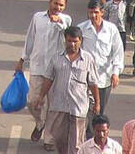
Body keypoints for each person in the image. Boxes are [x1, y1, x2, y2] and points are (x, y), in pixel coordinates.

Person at [32, 26, 100, 154]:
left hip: (78, 108)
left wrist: (97, 103)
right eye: (69, 41)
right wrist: (41, 97)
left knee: (76, 144)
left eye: (75, 41)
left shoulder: (88, 59)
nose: (72, 44)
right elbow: (49, 79)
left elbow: (93, 83)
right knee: (59, 140)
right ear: (65, 40)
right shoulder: (56, 58)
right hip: (59, 106)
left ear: (80, 41)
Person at [19, 0, 72, 145]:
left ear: (65, 6)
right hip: (37, 66)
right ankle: (40, 123)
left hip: (56, 70)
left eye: (61, 5)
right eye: (55, 3)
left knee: (53, 106)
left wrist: (59, 24)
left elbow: (68, 39)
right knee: (32, 100)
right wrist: (22, 59)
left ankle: (49, 140)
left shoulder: (66, 20)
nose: (58, 7)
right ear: (50, 2)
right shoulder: (38, 17)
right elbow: (30, 37)